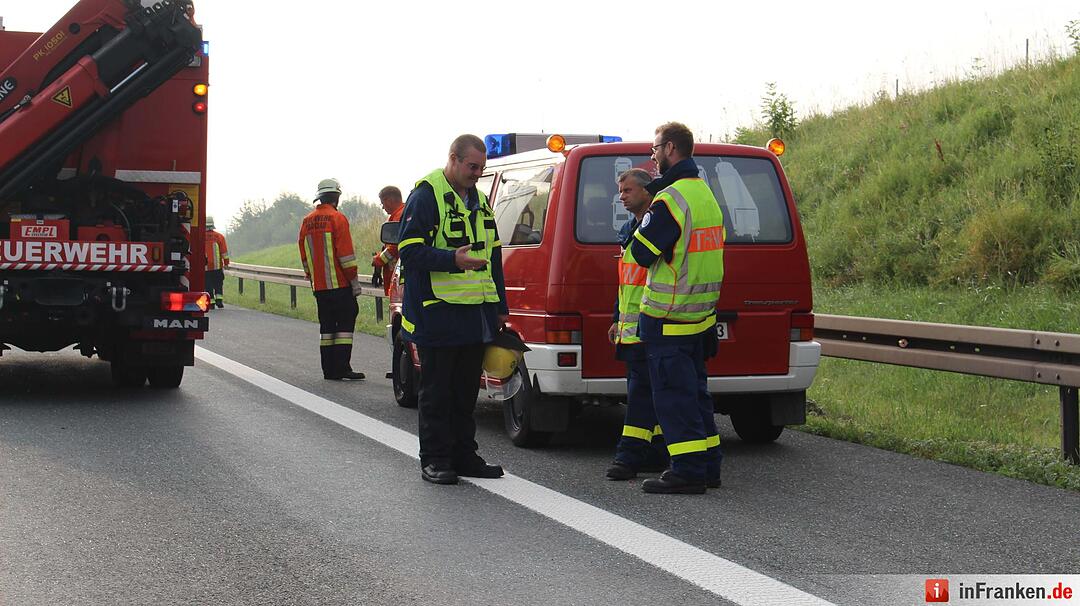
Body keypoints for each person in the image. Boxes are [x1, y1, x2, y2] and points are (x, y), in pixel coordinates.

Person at [397, 134, 507, 485]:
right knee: (437, 391)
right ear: (454, 159)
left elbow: (493, 257)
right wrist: (452, 260)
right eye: (472, 167)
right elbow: (409, 251)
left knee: (464, 392)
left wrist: (500, 308)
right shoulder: (426, 196)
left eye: (481, 168)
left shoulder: (478, 200)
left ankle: (464, 455)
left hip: (473, 313)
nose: (477, 173)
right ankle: (435, 459)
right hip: (437, 312)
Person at [628, 122, 725, 494]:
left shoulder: (670, 199)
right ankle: (708, 466)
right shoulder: (705, 194)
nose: (651, 157)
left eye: (655, 149)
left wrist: (645, 214)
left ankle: (687, 471)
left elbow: (640, 252)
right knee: (697, 396)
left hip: (668, 317)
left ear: (670, 149)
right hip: (699, 317)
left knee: (673, 400)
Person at [605, 168, 670, 481]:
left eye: (628, 190)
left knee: (641, 395)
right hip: (633, 329)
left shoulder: (655, 228)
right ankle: (658, 452)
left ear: (647, 191)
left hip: (651, 326)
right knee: (648, 393)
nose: (622, 197)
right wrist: (617, 318)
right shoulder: (630, 230)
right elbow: (626, 283)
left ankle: (627, 457)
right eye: (620, 191)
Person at [298, 178, 365, 381]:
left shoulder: (307, 221)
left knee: (326, 328)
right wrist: (354, 282)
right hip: (340, 285)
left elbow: (303, 253)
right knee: (344, 326)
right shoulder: (338, 218)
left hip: (319, 287)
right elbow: (346, 256)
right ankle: (343, 367)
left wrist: (312, 276)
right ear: (336, 197)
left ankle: (329, 370)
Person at [372, 185, 405, 296]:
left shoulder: (399, 217)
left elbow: (394, 247)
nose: (382, 207)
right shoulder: (400, 214)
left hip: (400, 276)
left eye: (382, 203)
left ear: (389, 200)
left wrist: (378, 260)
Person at [204, 216, 229, 309]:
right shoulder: (219, 236)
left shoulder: (200, 236)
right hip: (217, 267)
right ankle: (219, 301)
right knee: (218, 284)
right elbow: (224, 252)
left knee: (208, 285)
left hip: (205, 268)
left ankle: (211, 303)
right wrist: (226, 263)